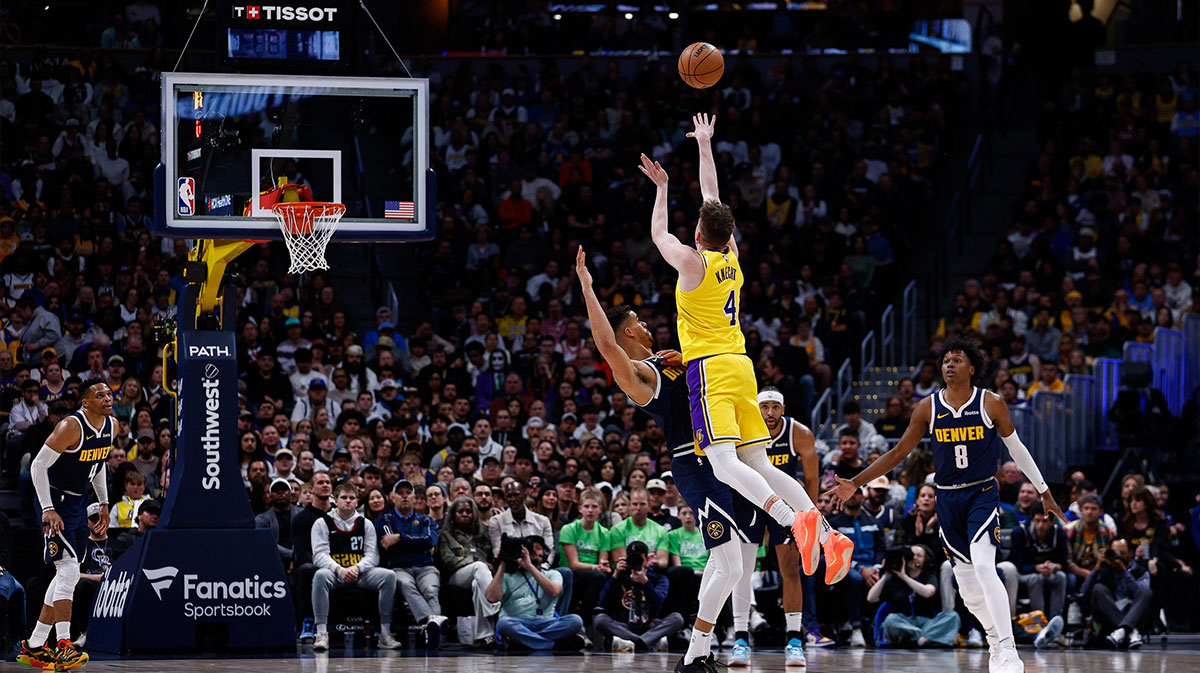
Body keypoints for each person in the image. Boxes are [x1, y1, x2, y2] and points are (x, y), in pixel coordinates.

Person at [578, 246, 840, 673]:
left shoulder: (668, 356)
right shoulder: (641, 376)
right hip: (696, 466)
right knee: (732, 566)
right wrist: (589, 288)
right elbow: (605, 344)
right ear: (628, 333)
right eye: (638, 323)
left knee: (731, 566)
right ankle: (696, 652)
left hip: (724, 457)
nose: (646, 326)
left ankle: (698, 653)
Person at [640, 117, 852, 616]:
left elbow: (657, 235)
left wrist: (663, 188)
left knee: (722, 463)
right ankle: (823, 529)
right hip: (742, 366)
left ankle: (789, 518)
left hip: (709, 369)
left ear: (698, 233)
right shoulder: (732, 255)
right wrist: (707, 147)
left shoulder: (692, 264)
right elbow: (713, 200)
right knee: (758, 462)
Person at [827, 336, 1066, 673]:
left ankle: (1009, 650)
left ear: (972, 368)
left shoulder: (991, 403)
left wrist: (1043, 490)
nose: (949, 364)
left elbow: (1017, 449)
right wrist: (855, 482)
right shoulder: (927, 406)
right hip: (946, 497)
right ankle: (995, 640)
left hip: (982, 493)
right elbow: (898, 454)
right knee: (968, 590)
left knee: (985, 567)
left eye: (957, 359)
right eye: (945, 360)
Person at [19, 380, 114, 670]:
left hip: (78, 501)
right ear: (85, 402)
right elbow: (37, 466)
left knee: (67, 574)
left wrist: (104, 503)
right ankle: (63, 645)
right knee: (69, 569)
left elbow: (97, 464)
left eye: (110, 393)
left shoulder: (111, 425)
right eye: (100, 395)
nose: (108, 398)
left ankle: (35, 645)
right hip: (54, 499)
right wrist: (47, 508)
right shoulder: (71, 427)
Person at [728, 387, 820, 668]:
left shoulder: (799, 433)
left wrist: (808, 516)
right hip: (749, 503)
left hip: (784, 507)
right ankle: (740, 639)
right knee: (741, 571)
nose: (769, 412)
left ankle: (794, 640)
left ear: (783, 409)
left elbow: (812, 479)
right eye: (764, 407)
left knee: (790, 570)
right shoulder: (743, 429)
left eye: (774, 407)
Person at [310, 482, 401, 651]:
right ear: (335, 500)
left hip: (359, 573)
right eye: (343, 497)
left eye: (352, 498)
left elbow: (373, 555)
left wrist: (357, 568)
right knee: (320, 576)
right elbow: (319, 555)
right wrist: (340, 569)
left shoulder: (365, 523)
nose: (348, 501)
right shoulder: (321, 523)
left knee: (389, 576)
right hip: (336, 573)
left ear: (357, 502)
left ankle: (385, 633)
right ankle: (321, 633)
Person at [485, 535, 585, 651]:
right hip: (518, 622)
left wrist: (530, 566)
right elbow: (491, 598)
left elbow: (554, 592)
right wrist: (503, 563)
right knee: (503, 624)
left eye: (537, 548)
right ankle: (552, 645)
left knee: (575, 621)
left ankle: (524, 642)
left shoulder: (552, 574)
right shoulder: (508, 576)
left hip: (546, 622)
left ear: (544, 553)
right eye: (528, 548)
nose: (532, 551)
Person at [377, 480, 447, 639]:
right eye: (400, 493)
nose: (404, 496)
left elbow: (429, 541)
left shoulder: (426, 520)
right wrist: (417, 543)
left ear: (414, 497)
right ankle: (433, 621)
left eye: (408, 493)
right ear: (392, 498)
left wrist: (400, 537)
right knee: (406, 584)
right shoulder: (385, 520)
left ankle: (431, 629)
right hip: (399, 567)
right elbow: (390, 546)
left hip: (425, 567)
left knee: (431, 590)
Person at [595, 540, 685, 653]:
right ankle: (646, 642)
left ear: (647, 560)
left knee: (677, 618)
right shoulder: (619, 576)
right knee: (599, 620)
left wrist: (646, 584)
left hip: (649, 626)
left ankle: (633, 642)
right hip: (624, 626)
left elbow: (658, 604)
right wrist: (615, 576)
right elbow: (603, 602)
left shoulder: (658, 579)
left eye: (640, 559)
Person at [436, 496, 500, 647]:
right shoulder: (446, 535)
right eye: (460, 512)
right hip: (456, 575)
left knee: (478, 585)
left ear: (474, 515)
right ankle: (495, 606)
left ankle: (485, 635)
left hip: (481, 577)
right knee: (479, 568)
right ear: (453, 515)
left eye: (468, 512)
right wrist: (475, 563)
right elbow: (448, 561)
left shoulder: (482, 535)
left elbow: (491, 557)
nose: (465, 514)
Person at [867, 544, 960, 647]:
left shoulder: (929, 575)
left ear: (925, 560)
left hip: (926, 623)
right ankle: (925, 638)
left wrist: (905, 577)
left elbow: (928, 592)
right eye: (912, 555)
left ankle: (917, 638)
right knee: (890, 620)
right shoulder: (895, 579)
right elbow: (871, 598)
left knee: (952, 616)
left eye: (919, 555)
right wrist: (886, 574)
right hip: (903, 623)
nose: (914, 558)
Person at [1081, 539, 1153, 649]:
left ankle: (1123, 631)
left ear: (1130, 553)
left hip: (1131, 613)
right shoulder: (1104, 569)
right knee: (1098, 588)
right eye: (1114, 552)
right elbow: (1083, 593)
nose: (1118, 556)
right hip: (1109, 620)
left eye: (1122, 553)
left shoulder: (1141, 571)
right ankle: (1129, 631)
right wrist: (1097, 567)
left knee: (1146, 592)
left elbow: (1139, 596)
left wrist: (1124, 572)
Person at [557, 487, 611, 625]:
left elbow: (603, 562)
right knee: (596, 576)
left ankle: (584, 622)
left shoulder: (604, 533)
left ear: (600, 509)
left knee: (602, 577)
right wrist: (596, 567)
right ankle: (582, 620)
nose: (590, 510)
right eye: (586, 506)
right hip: (570, 575)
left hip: (593, 575)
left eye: (594, 507)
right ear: (580, 509)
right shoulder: (569, 529)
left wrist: (603, 566)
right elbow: (574, 565)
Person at [1011, 503, 1068, 621]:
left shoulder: (1059, 534)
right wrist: (1037, 568)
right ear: (1032, 520)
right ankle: (1040, 622)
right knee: (1035, 579)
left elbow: (1063, 561)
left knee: (1061, 577)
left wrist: (1053, 567)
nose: (1040, 525)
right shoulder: (1020, 533)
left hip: (1048, 571)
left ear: (1052, 522)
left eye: (1045, 521)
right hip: (1024, 574)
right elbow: (1019, 564)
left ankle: (1055, 621)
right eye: (1037, 521)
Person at [1064, 494, 1118, 593]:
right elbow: (1067, 561)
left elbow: (1111, 559)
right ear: (1081, 510)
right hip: (1076, 571)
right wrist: (1084, 573)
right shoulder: (1070, 530)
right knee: (1070, 579)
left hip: (1098, 570)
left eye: (1093, 509)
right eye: (1086, 508)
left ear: (1100, 512)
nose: (1089, 512)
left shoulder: (1107, 531)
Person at [255, 478, 302, 570]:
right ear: (270, 495)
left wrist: (298, 556)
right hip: (272, 559)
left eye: (284, 490)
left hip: (300, 558)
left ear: (290, 493)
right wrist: (292, 555)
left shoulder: (302, 514)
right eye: (276, 491)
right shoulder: (261, 519)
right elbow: (264, 543)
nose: (280, 493)